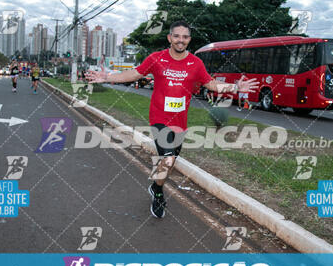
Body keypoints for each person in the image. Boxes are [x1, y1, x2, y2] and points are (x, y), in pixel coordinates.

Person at [87, 21, 259, 218]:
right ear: (170, 38)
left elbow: (211, 84)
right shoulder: (156, 58)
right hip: (159, 118)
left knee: (170, 162)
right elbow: (133, 74)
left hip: (180, 123)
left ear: (189, 40)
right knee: (168, 159)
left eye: (185, 37)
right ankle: (158, 193)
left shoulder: (196, 63)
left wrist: (235, 88)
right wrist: (107, 77)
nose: (181, 40)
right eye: (177, 36)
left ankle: (155, 185)